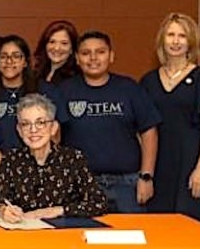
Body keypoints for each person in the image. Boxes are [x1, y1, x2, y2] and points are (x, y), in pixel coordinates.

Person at [58, 31, 161, 213]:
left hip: (128, 185)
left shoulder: (129, 88)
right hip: (81, 185)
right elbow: (53, 135)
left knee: (131, 232)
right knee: (81, 232)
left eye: (100, 52)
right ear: (77, 58)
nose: (93, 58)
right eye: (86, 53)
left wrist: (146, 177)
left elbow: (149, 131)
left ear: (111, 56)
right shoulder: (64, 91)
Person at [140, 13, 200, 223]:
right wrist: (145, 174)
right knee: (157, 226)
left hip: (190, 162)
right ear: (162, 39)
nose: (176, 41)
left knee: (189, 225)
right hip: (158, 164)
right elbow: (141, 129)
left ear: (191, 42)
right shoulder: (148, 81)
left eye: (182, 36)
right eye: (171, 35)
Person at [0, 94, 107, 221]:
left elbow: (98, 203)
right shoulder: (11, 159)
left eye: (40, 122)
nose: (33, 130)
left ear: (53, 128)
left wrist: (57, 210)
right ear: (19, 130)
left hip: (64, 230)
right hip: (23, 229)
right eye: (26, 124)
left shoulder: (73, 159)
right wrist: (3, 210)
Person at [0, 35, 66, 169]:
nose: (9, 61)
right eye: (3, 57)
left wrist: (39, 170)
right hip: (1, 171)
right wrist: (12, 173)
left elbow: (55, 135)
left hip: (43, 170)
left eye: (16, 56)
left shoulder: (46, 91)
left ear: (25, 62)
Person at [33, 20, 79, 85]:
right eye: (52, 42)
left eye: (64, 43)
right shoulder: (37, 74)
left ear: (72, 49)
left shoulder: (76, 78)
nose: (57, 48)